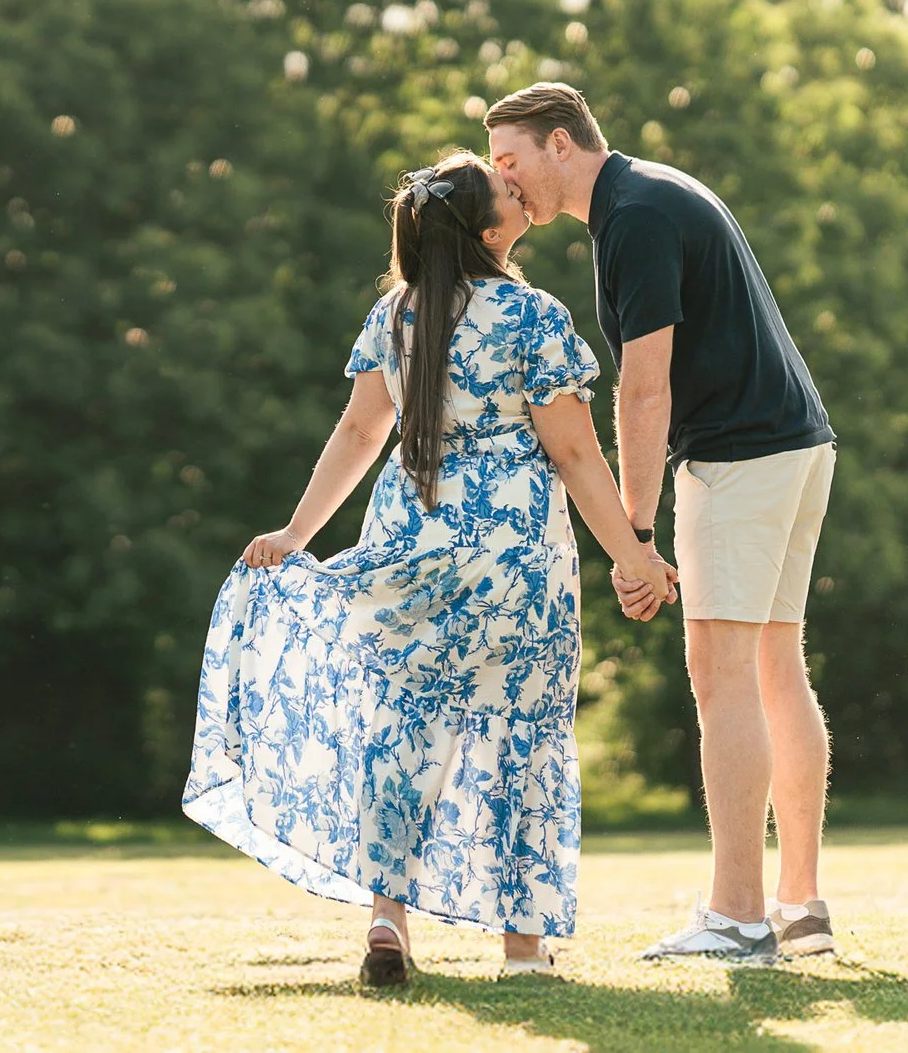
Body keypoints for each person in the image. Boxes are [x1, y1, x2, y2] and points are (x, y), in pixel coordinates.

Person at [183, 150, 677, 985]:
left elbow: (356, 435)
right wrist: (635, 553)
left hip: (412, 537)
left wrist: (299, 534)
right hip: (513, 553)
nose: (518, 190)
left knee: (400, 727)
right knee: (524, 731)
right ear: (490, 232)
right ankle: (523, 947)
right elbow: (575, 454)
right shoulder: (534, 318)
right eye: (506, 191)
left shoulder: (398, 316)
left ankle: (388, 917)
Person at [486, 81, 838, 966]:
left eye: (510, 159)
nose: (506, 179)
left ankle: (737, 917)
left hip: (739, 458)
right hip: (796, 446)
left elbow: (645, 386)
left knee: (721, 673)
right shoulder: (650, 191)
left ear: (559, 144)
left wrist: (635, 532)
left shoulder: (632, 215)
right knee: (772, 665)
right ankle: (800, 906)